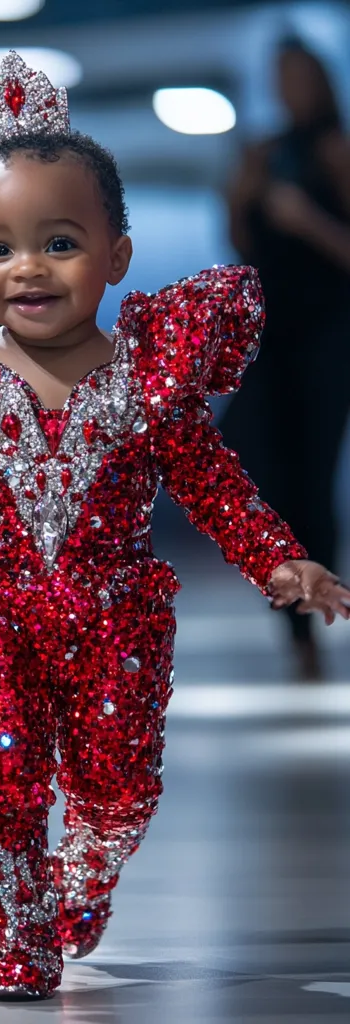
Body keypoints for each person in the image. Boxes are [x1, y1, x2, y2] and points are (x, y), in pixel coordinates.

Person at [0, 52, 350, 999]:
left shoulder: (146, 381)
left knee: (118, 781)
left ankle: (88, 863)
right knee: (1, 771)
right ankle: (17, 935)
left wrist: (281, 559)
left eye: (59, 243)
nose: (27, 269)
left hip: (117, 613)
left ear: (117, 256)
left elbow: (215, 485)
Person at [224, 36, 350, 681]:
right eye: (279, 76)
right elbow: (243, 245)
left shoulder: (335, 148)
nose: (287, 89)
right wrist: (239, 192)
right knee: (260, 470)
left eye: (296, 76)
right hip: (269, 338)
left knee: (310, 482)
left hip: (326, 334)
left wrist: (307, 222)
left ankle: (309, 626)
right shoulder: (268, 154)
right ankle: (291, 611)